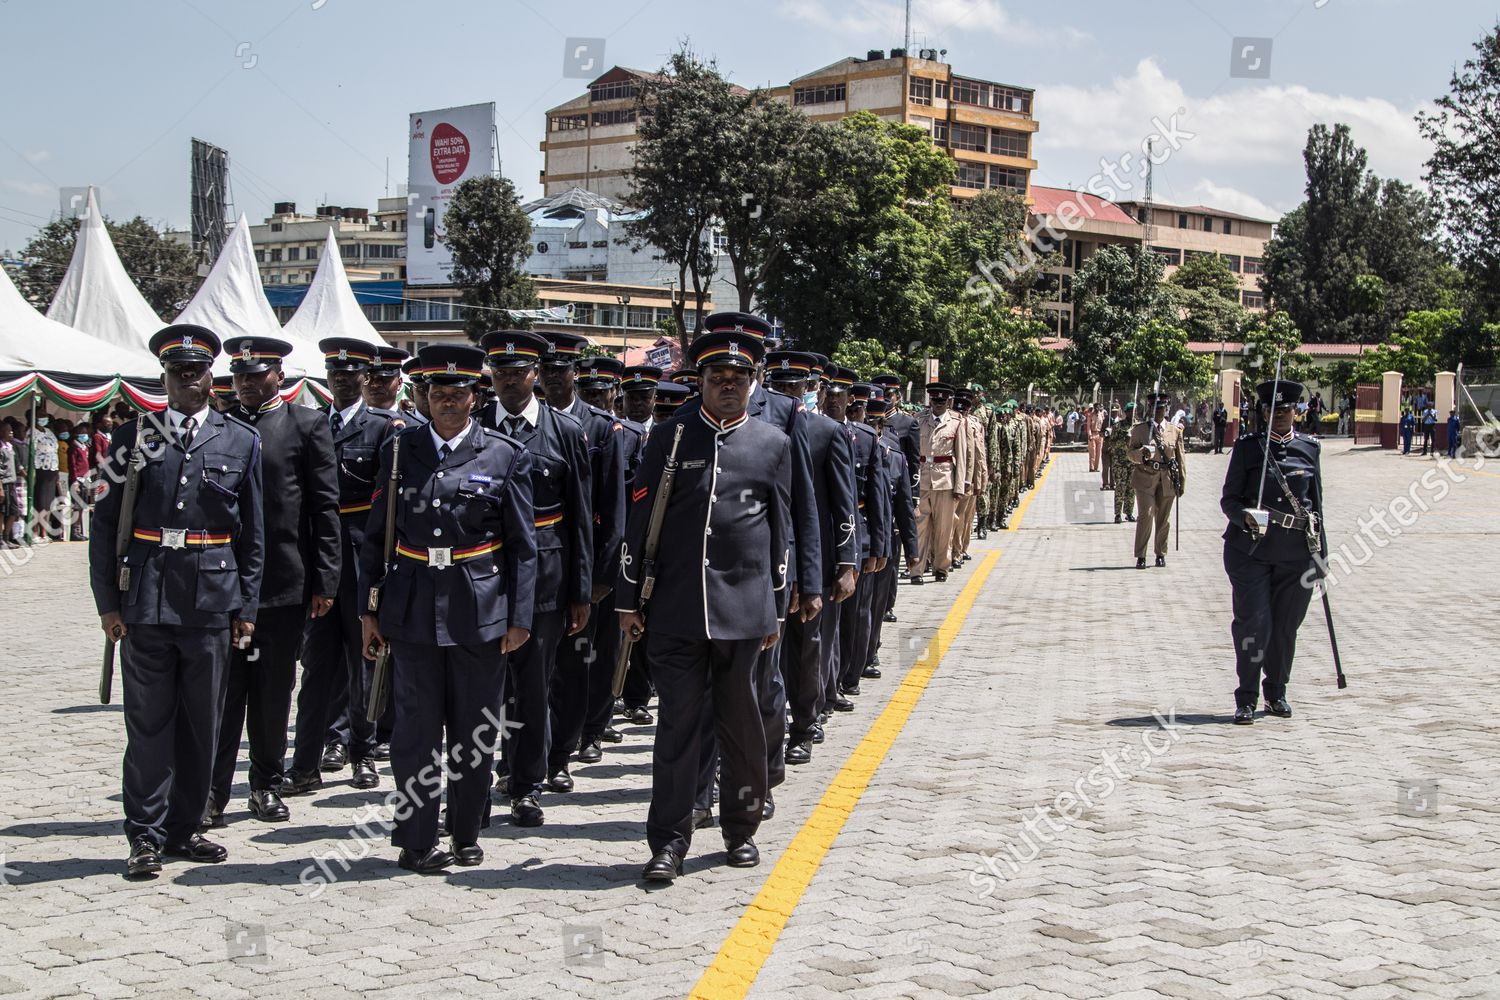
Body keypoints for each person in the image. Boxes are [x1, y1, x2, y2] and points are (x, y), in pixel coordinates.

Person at [89, 324, 265, 878]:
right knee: (147, 723)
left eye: (197, 372)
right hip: (145, 595)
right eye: (178, 373)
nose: (189, 381)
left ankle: (186, 828)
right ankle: (144, 833)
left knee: (202, 723)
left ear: (212, 376)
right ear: (165, 378)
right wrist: (107, 603)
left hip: (212, 598)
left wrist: (248, 607)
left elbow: (254, 533)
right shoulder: (132, 437)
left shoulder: (240, 439)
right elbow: (103, 524)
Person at [619, 330, 792, 882]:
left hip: (745, 612)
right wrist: (628, 600)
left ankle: (740, 829)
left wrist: (778, 607)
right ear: (699, 382)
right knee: (677, 730)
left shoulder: (772, 444)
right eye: (716, 378)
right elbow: (638, 521)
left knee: (742, 727)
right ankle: (668, 840)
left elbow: (781, 530)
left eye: (738, 378)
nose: (727, 386)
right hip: (675, 609)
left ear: (753, 382)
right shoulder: (669, 438)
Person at [359, 344, 538, 872]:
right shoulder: (398, 451)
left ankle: (465, 832)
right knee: (414, 733)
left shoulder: (504, 454)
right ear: (424, 397)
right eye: (438, 395)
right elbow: (376, 538)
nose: (448, 404)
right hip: (411, 608)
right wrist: (370, 608)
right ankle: (416, 839)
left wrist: (520, 617)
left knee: (474, 731)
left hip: (478, 607)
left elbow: (523, 546)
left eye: (458, 395)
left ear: (474, 397)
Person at [207, 337, 341, 828]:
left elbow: (325, 508)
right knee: (222, 693)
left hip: (283, 581)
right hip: (223, 581)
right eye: (239, 375)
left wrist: (326, 578)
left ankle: (265, 783)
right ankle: (213, 791)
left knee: (271, 689)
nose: (245, 383)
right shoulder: (218, 427)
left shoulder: (305, 425)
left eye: (255, 374)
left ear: (278, 374)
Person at [478, 330, 592, 828]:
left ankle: (526, 784)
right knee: (478, 689)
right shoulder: (474, 423)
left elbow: (581, 516)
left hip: (545, 574)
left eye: (518, 372)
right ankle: (474, 788)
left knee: (532, 686)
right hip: (482, 573)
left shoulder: (564, 431)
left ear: (535, 375)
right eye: (499, 372)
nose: (508, 380)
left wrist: (581, 590)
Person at [284, 339, 402, 796]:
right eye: (334, 373)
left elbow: (386, 505)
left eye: (351, 374)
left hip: (360, 556)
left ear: (366, 379)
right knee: (316, 665)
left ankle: (363, 751)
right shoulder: (310, 424)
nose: (342, 380)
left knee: (364, 661)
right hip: (319, 560)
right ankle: (308, 759)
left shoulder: (384, 428)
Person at [538, 332, 625, 795]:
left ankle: (560, 755)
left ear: (576, 373)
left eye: (561, 370)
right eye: (546, 370)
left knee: (573, 668)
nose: (554, 378)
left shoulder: (598, 427)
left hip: (580, 567)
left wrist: (598, 579)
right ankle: (522, 756)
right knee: (526, 674)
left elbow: (612, 511)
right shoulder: (525, 423)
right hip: (533, 569)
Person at [765, 351, 855, 768]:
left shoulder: (826, 431)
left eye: (794, 387)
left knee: (805, 649)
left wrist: (847, 561)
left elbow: (842, 504)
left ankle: (802, 726)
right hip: (763, 559)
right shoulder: (755, 427)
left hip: (807, 557)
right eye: (778, 386)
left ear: (809, 388)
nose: (786, 394)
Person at [1220, 379, 1325, 725]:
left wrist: (1321, 554)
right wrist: (1244, 515)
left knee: (1284, 627)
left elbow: (1316, 507)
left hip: (1295, 554)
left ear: (1296, 411)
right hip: (1250, 551)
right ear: (1263, 412)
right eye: (1272, 410)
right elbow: (1229, 500)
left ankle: (1276, 691)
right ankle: (1246, 696)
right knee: (1254, 623)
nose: (1279, 415)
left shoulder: (1309, 449)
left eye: (1285, 409)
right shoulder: (1249, 448)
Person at [911, 382, 965, 584]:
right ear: (930, 401)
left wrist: (960, 486)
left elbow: (961, 456)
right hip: (923, 480)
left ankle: (941, 567)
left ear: (949, 402)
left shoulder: (957, 423)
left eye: (943, 401)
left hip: (945, 482)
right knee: (920, 528)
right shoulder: (919, 420)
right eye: (935, 400)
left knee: (944, 529)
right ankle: (916, 570)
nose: (938, 404)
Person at [1128, 393, 1186, 568]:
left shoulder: (1174, 431)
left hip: (1167, 479)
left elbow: (1180, 457)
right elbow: (1130, 454)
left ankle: (1160, 553)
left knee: (1163, 518)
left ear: (1167, 409)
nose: (1159, 411)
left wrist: (1181, 482)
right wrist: (1142, 454)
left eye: (1162, 408)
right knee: (1146, 514)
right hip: (1145, 477)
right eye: (1155, 408)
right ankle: (1141, 555)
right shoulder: (1139, 430)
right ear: (1149, 409)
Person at [27, 409, 60, 541]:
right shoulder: (31, 432)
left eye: (45, 416)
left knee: (48, 502)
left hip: (51, 469)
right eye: (41, 416)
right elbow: (31, 451)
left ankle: (44, 531)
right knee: (39, 501)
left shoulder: (49, 431)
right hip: (39, 469)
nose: (44, 418)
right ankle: (35, 531)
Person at [1107, 403, 1136, 525]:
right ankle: (1117, 514)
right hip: (1120, 462)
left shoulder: (1137, 426)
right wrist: (1125, 441)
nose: (1131, 413)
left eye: (1133, 411)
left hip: (1133, 462)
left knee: (1131, 488)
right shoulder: (1118, 426)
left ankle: (1129, 513)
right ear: (1125, 412)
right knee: (1120, 487)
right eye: (1129, 411)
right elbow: (1112, 443)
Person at [363, 346, 410, 411]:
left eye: (385, 378)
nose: (376, 384)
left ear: (399, 383)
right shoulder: (348, 420)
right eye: (369, 378)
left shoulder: (411, 421)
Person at [0, 421, 19, 547]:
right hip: (4, 483)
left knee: (13, 511)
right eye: (8, 430)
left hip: (12, 482)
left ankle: (7, 537)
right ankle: (1, 538)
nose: (11, 432)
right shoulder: (1, 448)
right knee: (2, 512)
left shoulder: (10, 446)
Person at [1086, 403, 1105, 473]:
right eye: (1096, 407)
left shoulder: (1101, 415)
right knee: (1092, 451)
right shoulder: (1090, 415)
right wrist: (1090, 435)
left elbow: (1103, 425)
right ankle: (1092, 467)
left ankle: (1096, 467)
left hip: (1100, 435)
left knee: (1098, 452)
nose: (1097, 408)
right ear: (1094, 407)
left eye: (1098, 407)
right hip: (1093, 434)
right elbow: (1088, 427)